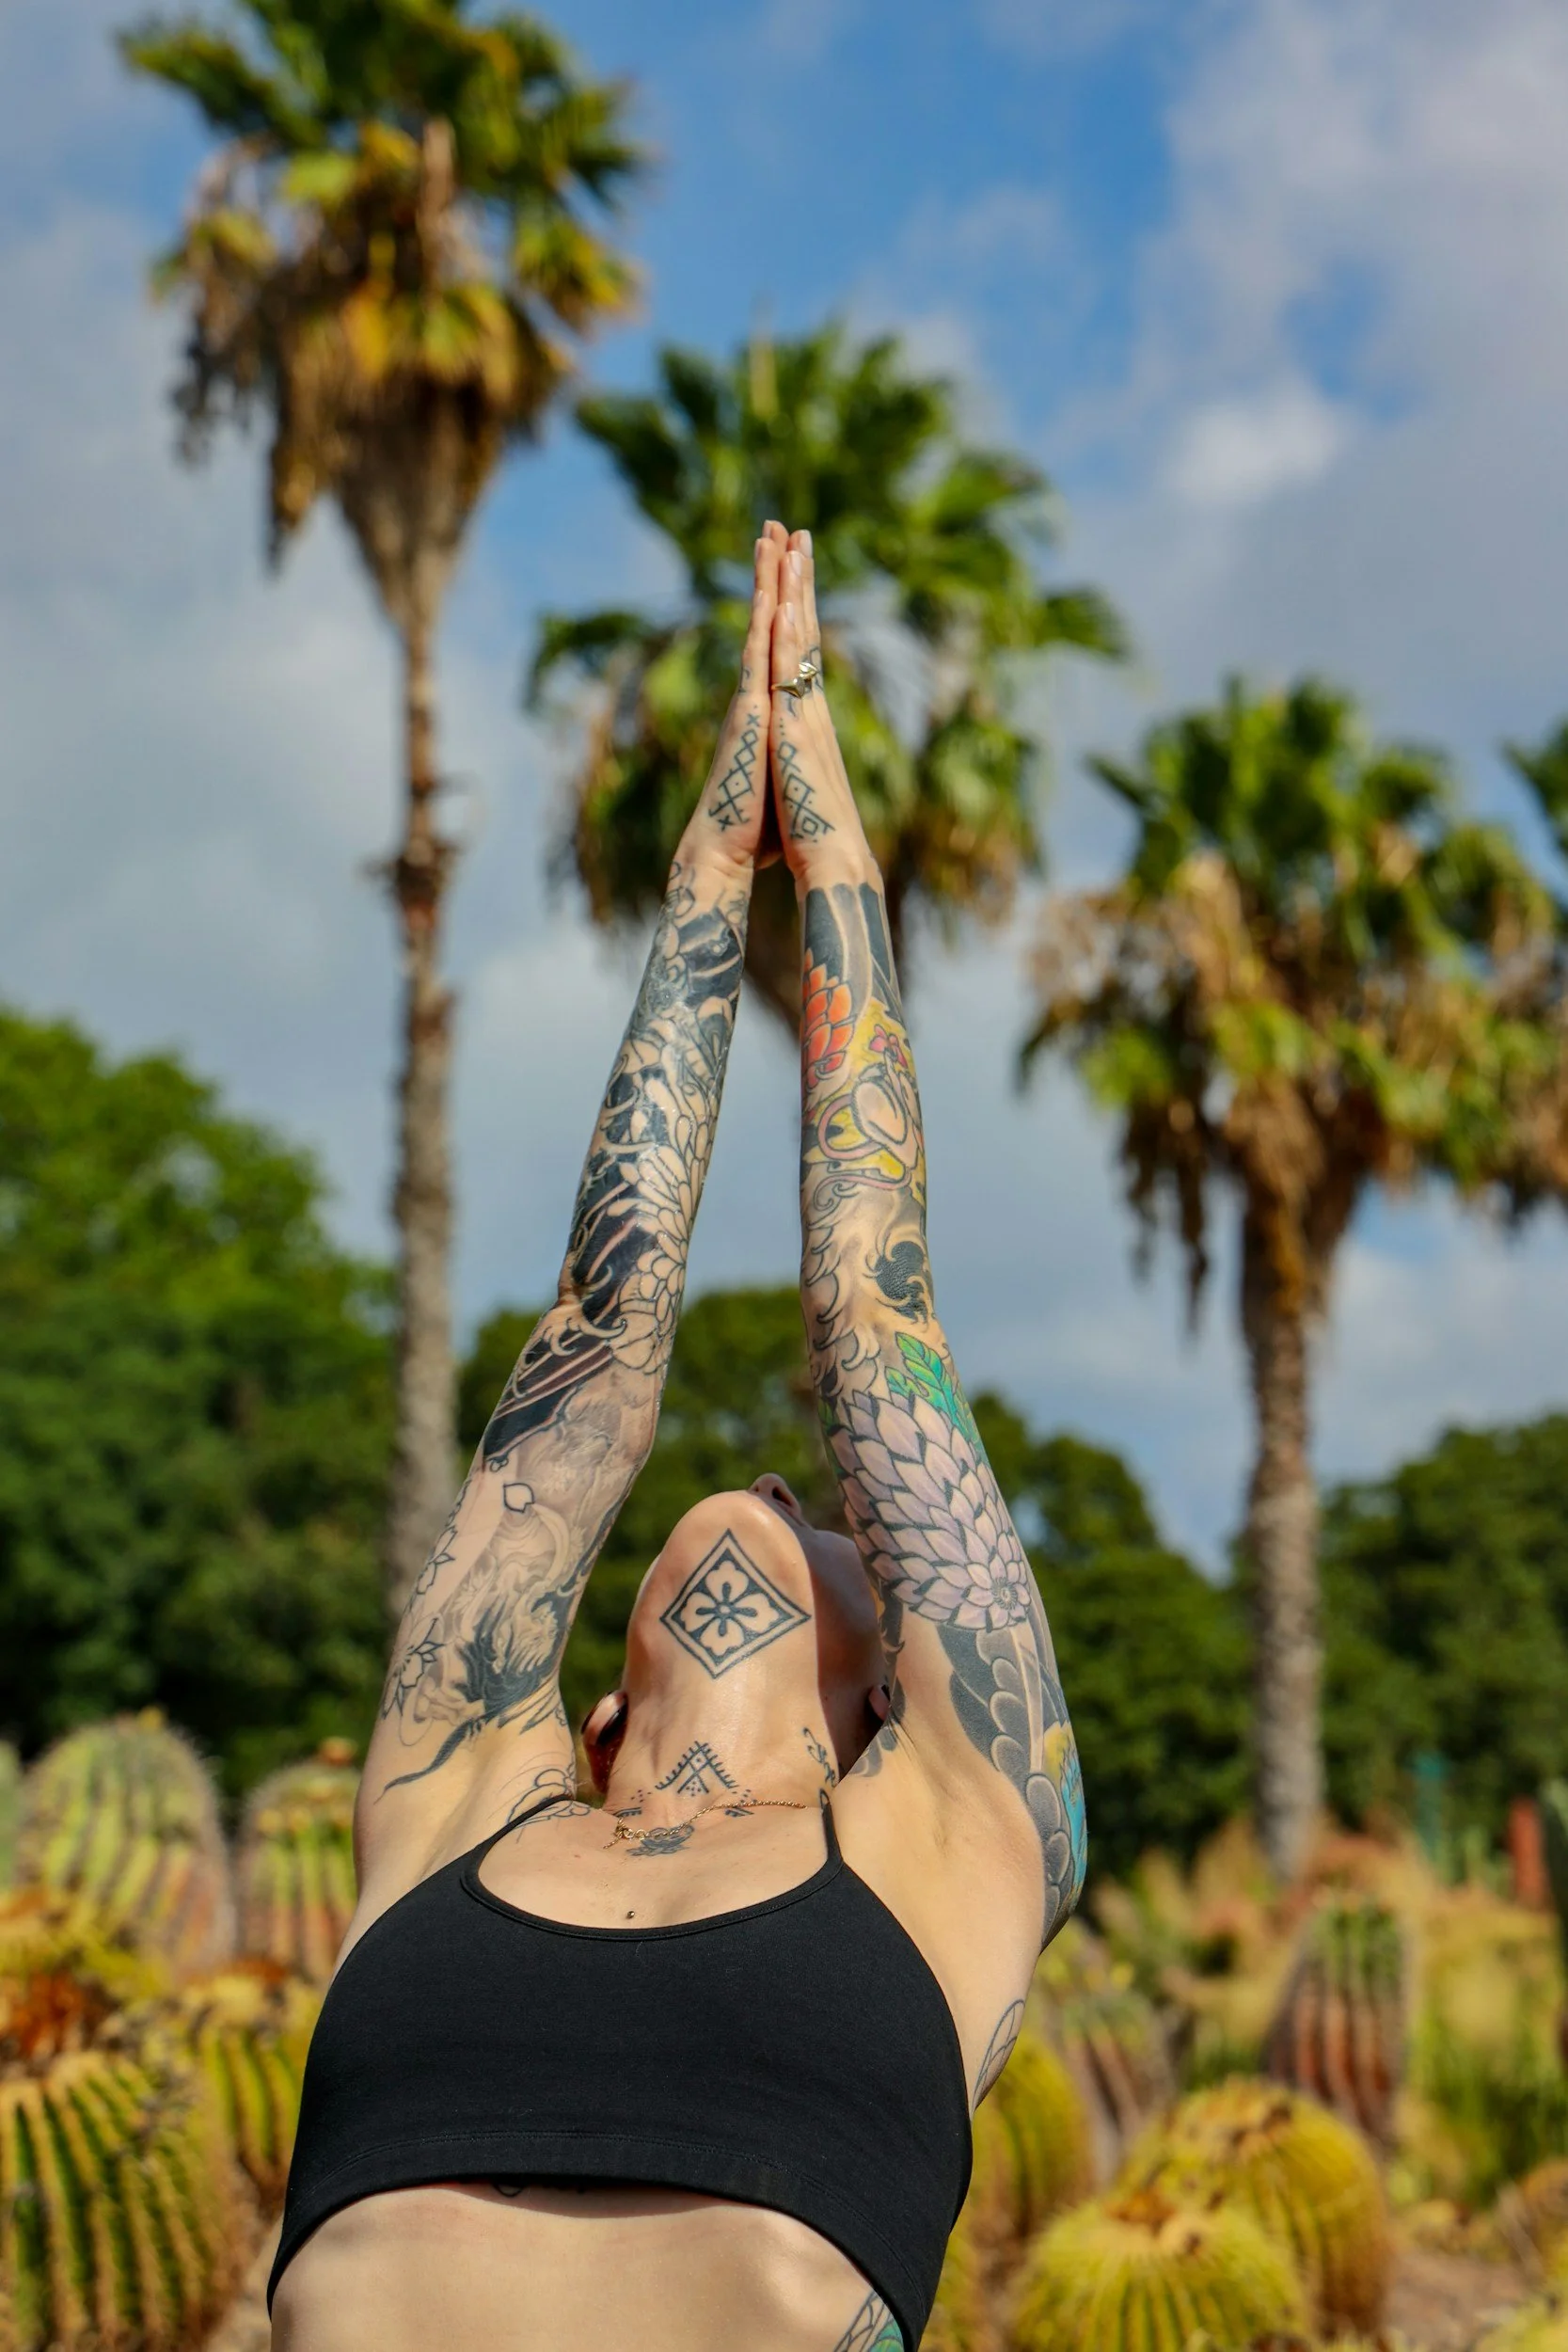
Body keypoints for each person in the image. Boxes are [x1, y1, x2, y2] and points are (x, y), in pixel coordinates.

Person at [269, 524, 1085, 2352]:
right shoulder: (464, 1796)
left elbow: (877, 1331)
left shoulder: (946, 1843)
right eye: (801, 1497)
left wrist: (837, 866)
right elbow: (598, 1328)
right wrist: (711, 866)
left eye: (828, 1521)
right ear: (595, 1718)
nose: (793, 1488)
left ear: (890, 1702)